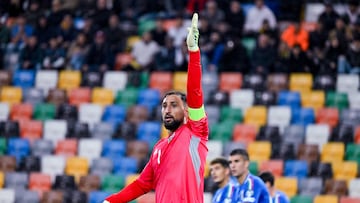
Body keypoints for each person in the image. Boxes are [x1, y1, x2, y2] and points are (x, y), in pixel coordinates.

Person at [103, 13, 209, 203]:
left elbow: (194, 92)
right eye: (164, 106)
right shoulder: (159, 148)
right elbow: (142, 184)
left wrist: (193, 52)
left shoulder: (196, 131)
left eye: (174, 105)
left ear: (186, 112)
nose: (167, 109)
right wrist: (111, 201)